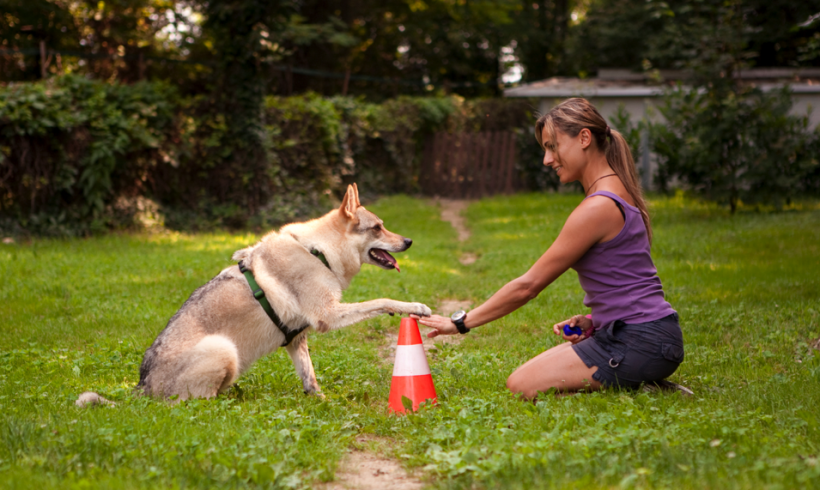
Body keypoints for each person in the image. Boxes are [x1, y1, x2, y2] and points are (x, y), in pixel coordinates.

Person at [413, 98, 684, 399]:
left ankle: (639, 380)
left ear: (584, 138)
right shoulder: (618, 192)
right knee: (526, 377)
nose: (547, 159)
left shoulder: (598, 207)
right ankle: (640, 376)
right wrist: (597, 322)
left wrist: (461, 323)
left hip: (640, 340)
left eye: (553, 146)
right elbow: (628, 278)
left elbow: (528, 286)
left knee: (522, 386)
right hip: (643, 333)